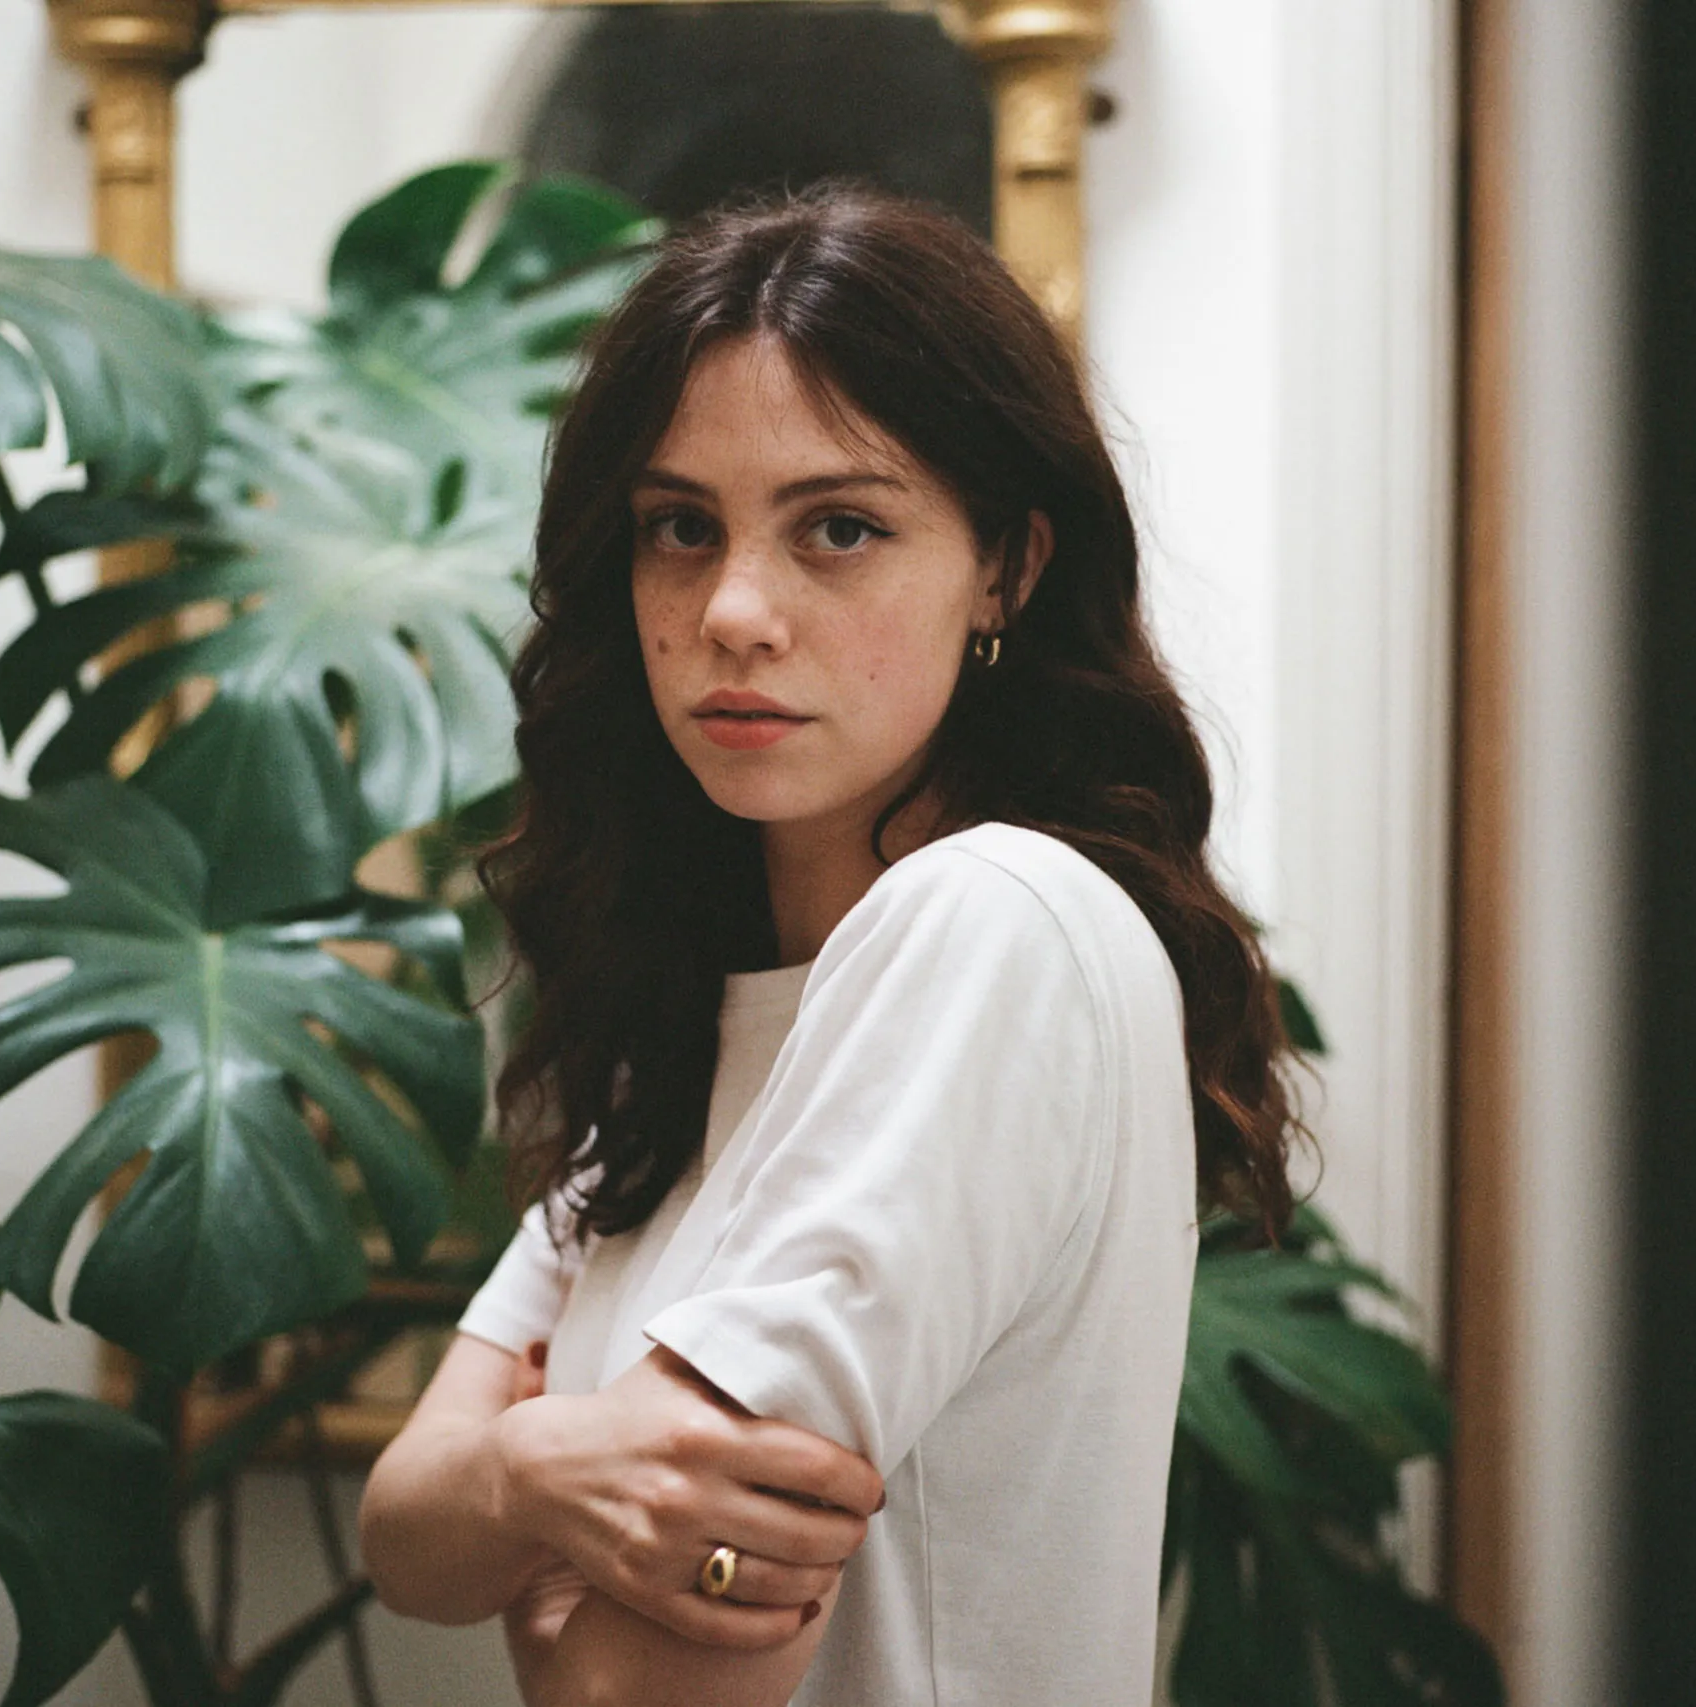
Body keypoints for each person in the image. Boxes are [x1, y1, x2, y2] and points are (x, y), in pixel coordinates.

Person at [357, 181, 1298, 1707]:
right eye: (681, 528)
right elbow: (402, 1533)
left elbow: (623, 1686)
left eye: (840, 529)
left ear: (1007, 567)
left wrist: (521, 1517)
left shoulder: (990, 922)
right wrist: (541, 1477)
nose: (735, 609)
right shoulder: (685, 1031)